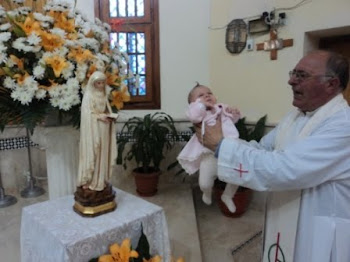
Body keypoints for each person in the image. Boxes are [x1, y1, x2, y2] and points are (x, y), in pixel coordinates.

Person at [196, 50, 350, 261]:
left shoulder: (342, 125)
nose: (291, 81)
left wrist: (222, 146)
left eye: (302, 75)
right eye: (293, 73)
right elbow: (262, 149)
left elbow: (286, 168)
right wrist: (223, 142)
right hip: (285, 220)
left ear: (331, 84)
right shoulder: (294, 117)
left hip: (317, 234)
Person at [177, 83, 241, 212]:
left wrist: (234, 114)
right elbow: (193, 116)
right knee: (205, 182)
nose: (207, 95)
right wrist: (201, 105)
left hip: (230, 150)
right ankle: (206, 192)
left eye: (209, 93)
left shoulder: (221, 108)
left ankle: (227, 195)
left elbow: (232, 120)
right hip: (209, 153)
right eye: (201, 95)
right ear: (193, 103)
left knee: (238, 175)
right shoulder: (197, 112)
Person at [77, 71, 118, 191]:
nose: (100, 85)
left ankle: (100, 179)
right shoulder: (89, 96)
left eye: (102, 83)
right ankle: (90, 180)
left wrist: (109, 116)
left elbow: (106, 109)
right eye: (98, 83)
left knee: (103, 153)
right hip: (93, 128)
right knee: (95, 151)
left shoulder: (104, 95)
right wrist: (99, 117)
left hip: (104, 127)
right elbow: (86, 114)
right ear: (93, 84)